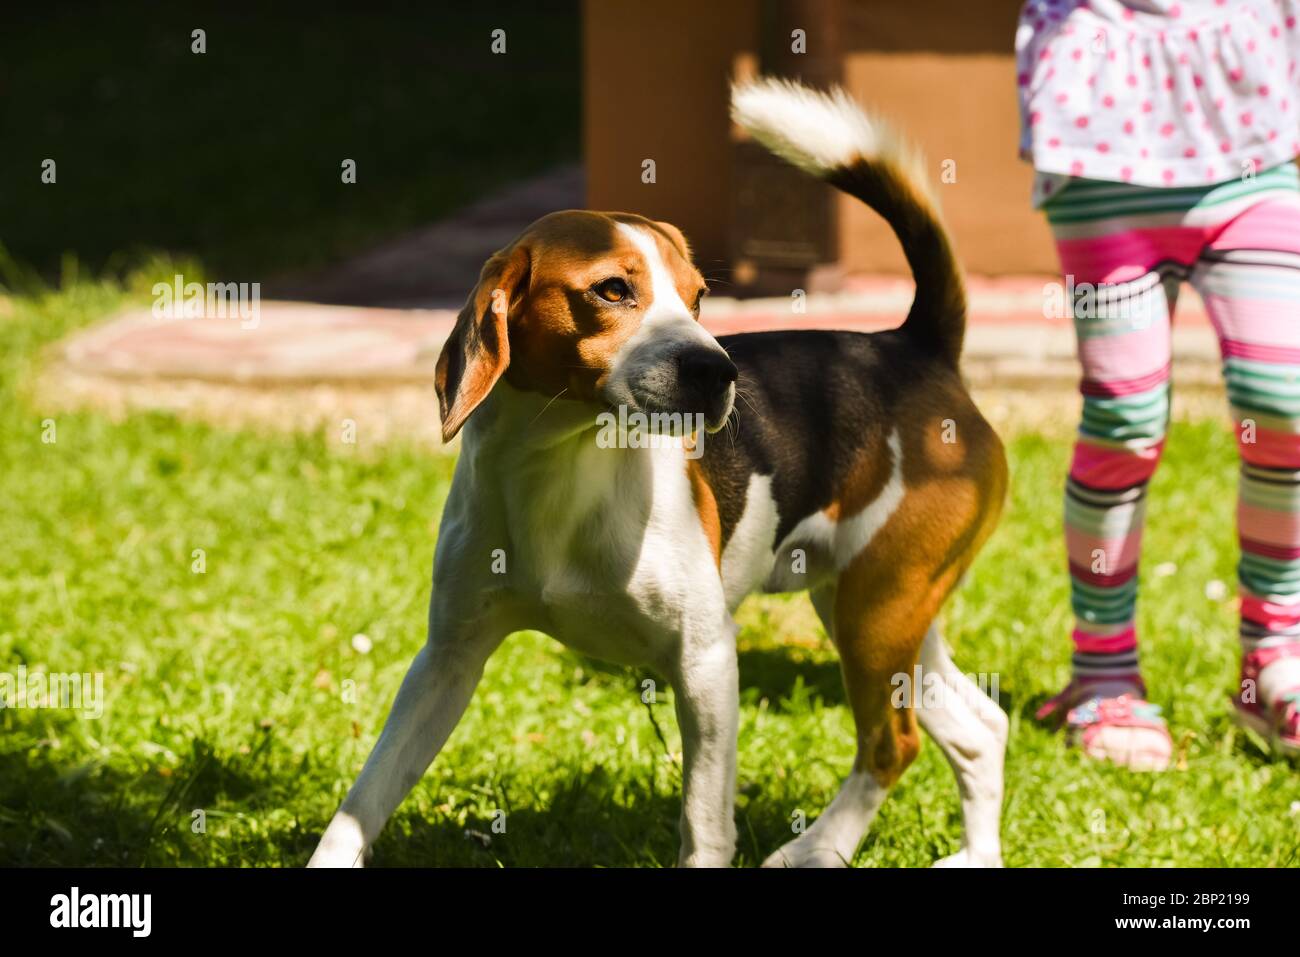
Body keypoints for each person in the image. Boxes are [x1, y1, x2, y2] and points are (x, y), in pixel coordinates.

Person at [1016, 0, 1300, 767]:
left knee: (1288, 404)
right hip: (1104, 147)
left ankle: (1275, 660)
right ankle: (1103, 671)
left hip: (1251, 144)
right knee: (1127, 418)